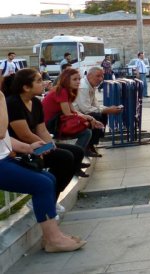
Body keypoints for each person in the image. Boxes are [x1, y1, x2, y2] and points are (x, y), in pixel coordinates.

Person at [0, 90, 87, 253]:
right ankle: (54, 239)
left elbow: (4, 138)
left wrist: (29, 148)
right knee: (41, 184)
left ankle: (51, 237)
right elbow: (0, 132)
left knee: (48, 179)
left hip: (5, 158)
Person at [5, 68, 89, 205]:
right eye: (38, 81)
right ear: (26, 87)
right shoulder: (13, 103)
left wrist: (51, 144)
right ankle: (44, 200)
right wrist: (47, 146)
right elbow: (24, 135)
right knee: (65, 157)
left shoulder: (36, 102)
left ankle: (51, 198)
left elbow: (42, 130)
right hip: (22, 149)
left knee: (77, 152)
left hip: (36, 145)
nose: (43, 83)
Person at [41, 68, 104, 156]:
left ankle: (79, 156)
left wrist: (91, 118)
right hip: (50, 126)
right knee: (86, 132)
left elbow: (73, 111)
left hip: (56, 122)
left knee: (89, 126)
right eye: (75, 79)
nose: (78, 82)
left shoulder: (67, 91)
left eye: (79, 79)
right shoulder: (62, 91)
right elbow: (68, 114)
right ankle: (77, 157)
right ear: (66, 79)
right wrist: (88, 119)